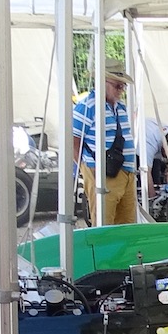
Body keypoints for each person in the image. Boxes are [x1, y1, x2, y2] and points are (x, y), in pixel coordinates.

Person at [70, 67, 137, 225]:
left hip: (126, 173)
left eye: (123, 86)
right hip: (103, 174)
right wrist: (88, 171)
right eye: (117, 86)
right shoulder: (88, 106)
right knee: (104, 224)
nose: (121, 90)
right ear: (102, 83)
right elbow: (72, 142)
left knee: (127, 226)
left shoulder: (120, 107)